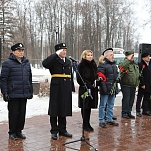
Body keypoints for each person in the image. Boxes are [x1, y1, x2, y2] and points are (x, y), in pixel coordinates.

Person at [1, 43, 33, 140]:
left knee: (22, 113)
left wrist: (30, 90)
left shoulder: (26, 63)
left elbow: (29, 78)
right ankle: (12, 132)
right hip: (13, 93)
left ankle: (19, 131)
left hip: (23, 93)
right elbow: (3, 79)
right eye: (19, 51)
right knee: (14, 113)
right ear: (13, 52)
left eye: (22, 50)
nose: (21, 52)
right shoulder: (7, 63)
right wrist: (5, 92)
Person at [42, 43, 74, 140]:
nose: (64, 52)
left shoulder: (68, 61)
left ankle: (62, 130)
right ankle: (54, 130)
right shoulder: (53, 60)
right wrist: (55, 55)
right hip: (56, 87)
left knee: (63, 108)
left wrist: (71, 87)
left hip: (66, 87)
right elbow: (45, 64)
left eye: (65, 50)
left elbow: (70, 75)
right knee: (54, 109)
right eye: (62, 50)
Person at [76, 50, 98, 132]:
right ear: (84, 56)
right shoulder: (81, 65)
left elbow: (95, 75)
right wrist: (85, 84)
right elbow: (79, 78)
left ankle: (88, 123)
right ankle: (85, 124)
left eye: (91, 55)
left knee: (89, 107)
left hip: (92, 88)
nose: (90, 56)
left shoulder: (93, 64)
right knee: (85, 106)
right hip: (85, 88)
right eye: (88, 55)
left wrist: (97, 81)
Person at [97, 48, 119, 128]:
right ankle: (101, 120)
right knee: (103, 105)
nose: (113, 56)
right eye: (111, 54)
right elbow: (101, 77)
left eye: (113, 54)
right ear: (106, 56)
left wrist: (117, 78)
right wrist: (103, 87)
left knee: (111, 104)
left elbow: (115, 74)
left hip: (113, 87)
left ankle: (109, 118)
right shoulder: (102, 64)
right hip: (105, 87)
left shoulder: (113, 64)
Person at [118, 50, 139, 119]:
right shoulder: (125, 63)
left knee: (131, 99)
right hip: (126, 84)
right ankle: (124, 112)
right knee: (126, 99)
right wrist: (128, 59)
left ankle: (129, 112)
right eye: (131, 55)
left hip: (133, 85)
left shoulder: (134, 64)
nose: (133, 57)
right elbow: (122, 66)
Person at [136, 52, 151, 116]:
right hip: (143, 84)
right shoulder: (140, 64)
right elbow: (139, 75)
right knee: (140, 98)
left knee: (146, 98)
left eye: (149, 56)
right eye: (147, 57)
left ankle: (145, 110)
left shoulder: (150, 64)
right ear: (143, 58)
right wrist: (142, 84)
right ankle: (138, 110)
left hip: (149, 84)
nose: (149, 58)